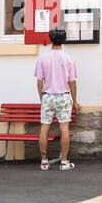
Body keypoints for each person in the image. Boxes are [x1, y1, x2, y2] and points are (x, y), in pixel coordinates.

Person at [34, 28, 78, 171]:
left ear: (51, 40)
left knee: (44, 127)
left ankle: (44, 161)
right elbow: (72, 82)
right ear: (63, 40)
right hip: (64, 96)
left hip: (48, 96)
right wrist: (75, 100)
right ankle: (64, 162)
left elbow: (39, 81)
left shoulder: (42, 58)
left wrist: (42, 98)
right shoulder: (68, 58)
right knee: (64, 128)